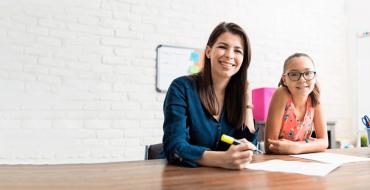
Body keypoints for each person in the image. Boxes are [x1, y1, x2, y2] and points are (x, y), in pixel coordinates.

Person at [162, 22, 258, 169]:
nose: (229, 55)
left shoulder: (239, 95)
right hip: (182, 177)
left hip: (225, 180)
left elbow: (249, 145)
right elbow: (174, 146)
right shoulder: (181, 88)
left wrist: (247, 99)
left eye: (238, 51)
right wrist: (222, 159)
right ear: (208, 52)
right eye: (222, 47)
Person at [264, 53, 328, 154]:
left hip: (303, 159)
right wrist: (309, 145)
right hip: (279, 161)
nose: (302, 79)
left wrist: (297, 148)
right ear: (284, 80)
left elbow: (324, 142)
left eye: (308, 73)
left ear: (315, 77)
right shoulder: (281, 94)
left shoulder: (314, 98)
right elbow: (270, 145)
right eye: (294, 74)